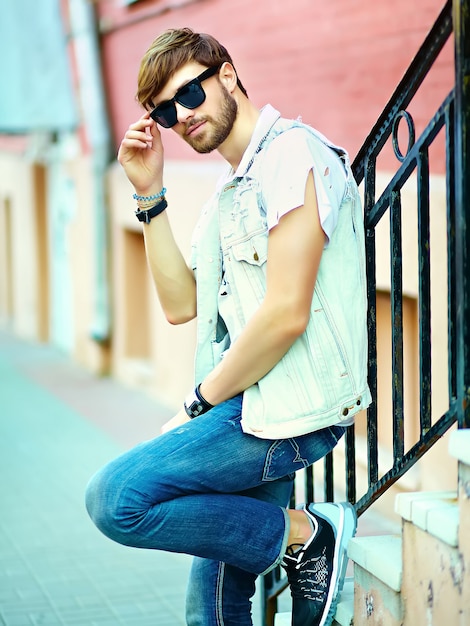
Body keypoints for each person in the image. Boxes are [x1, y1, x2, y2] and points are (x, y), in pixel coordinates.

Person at [85, 27, 371, 626]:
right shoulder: (229, 192)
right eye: (165, 111)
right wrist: (150, 194)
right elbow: (179, 302)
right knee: (211, 608)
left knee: (116, 499)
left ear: (229, 75)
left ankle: (306, 534)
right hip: (250, 404)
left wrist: (198, 402)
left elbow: (288, 312)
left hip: (289, 413)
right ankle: (297, 539)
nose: (181, 116)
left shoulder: (292, 154)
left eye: (189, 94)